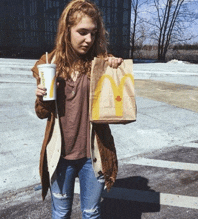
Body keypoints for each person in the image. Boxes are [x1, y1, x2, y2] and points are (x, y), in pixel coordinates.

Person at [32, 0, 123, 218]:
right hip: (60, 156)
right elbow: (41, 113)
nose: (88, 40)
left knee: (91, 212)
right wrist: (42, 98)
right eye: (82, 32)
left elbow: (115, 104)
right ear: (67, 30)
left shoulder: (100, 63)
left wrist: (115, 67)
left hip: (93, 155)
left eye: (93, 33)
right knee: (61, 213)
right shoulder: (49, 63)